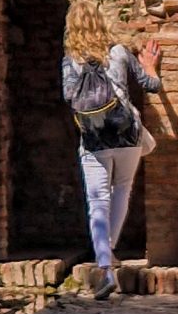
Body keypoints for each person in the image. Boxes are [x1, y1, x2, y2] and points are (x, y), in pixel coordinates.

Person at [62, 34, 163, 296]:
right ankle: (110, 249)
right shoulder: (119, 51)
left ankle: (105, 266)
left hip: (94, 139)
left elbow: (68, 96)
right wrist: (150, 65)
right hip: (127, 133)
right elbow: (151, 85)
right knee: (122, 189)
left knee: (98, 200)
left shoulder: (71, 59)